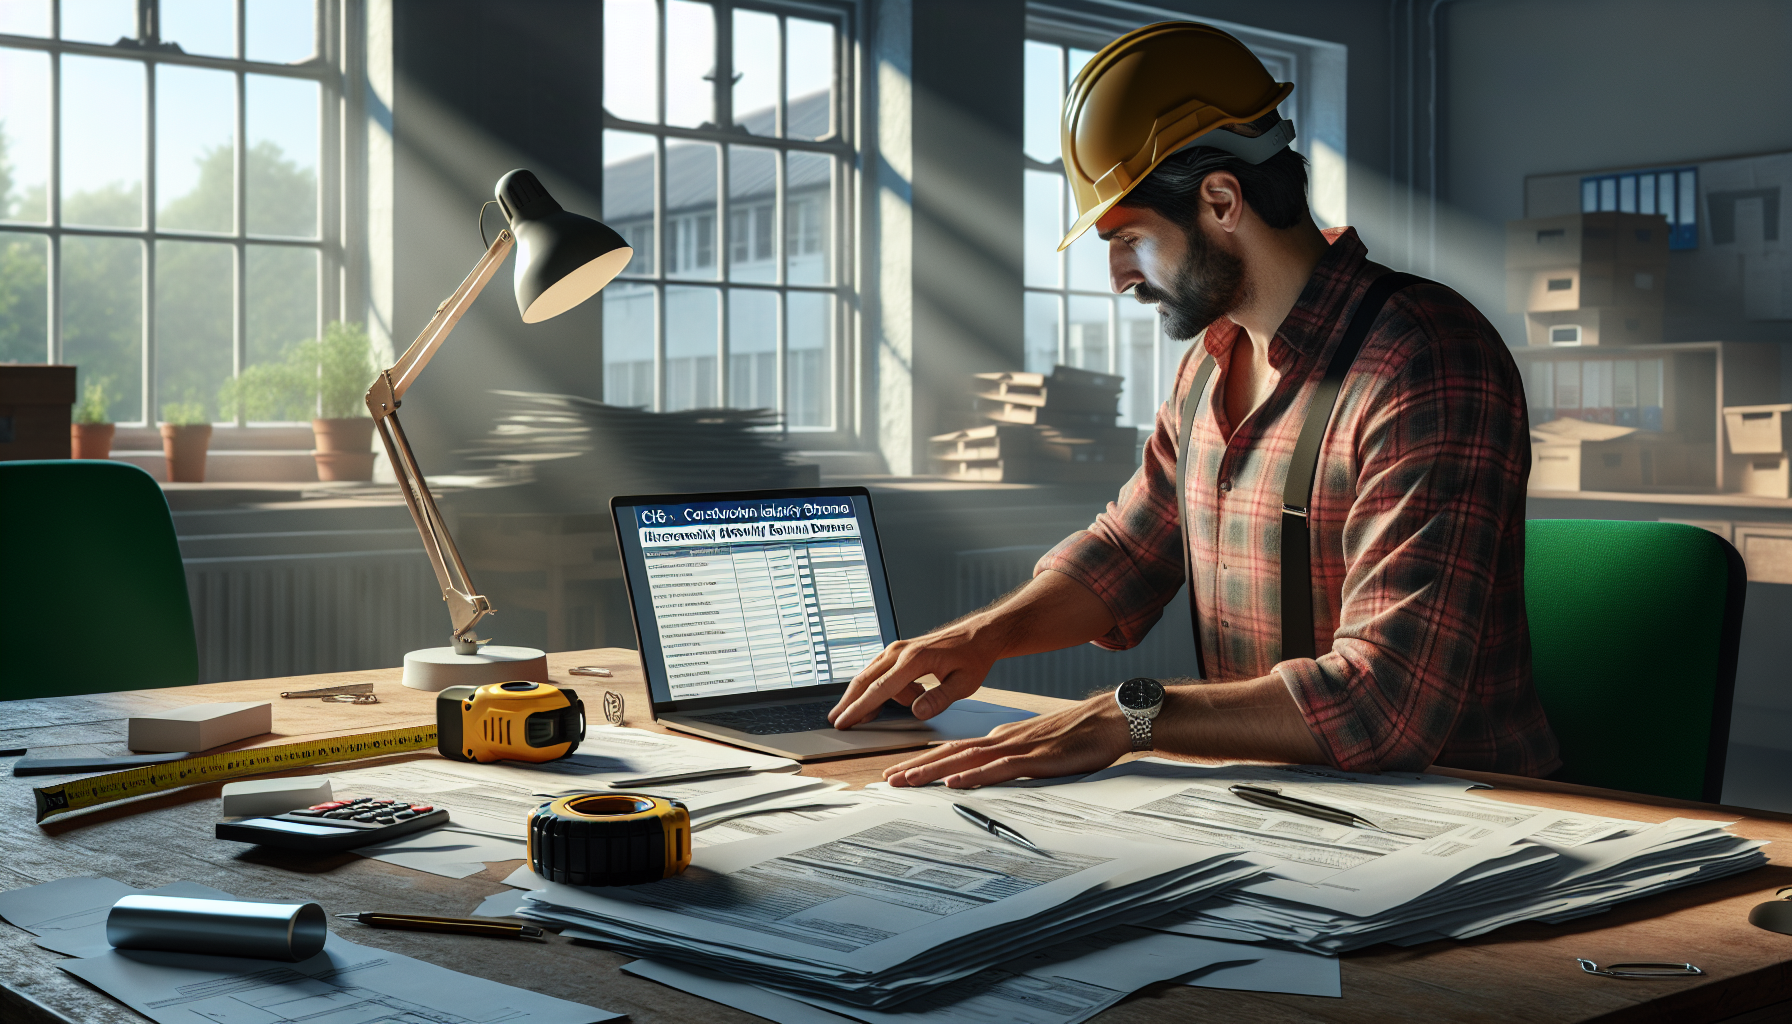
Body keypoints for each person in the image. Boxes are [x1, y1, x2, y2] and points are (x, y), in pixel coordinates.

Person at [828, 21, 1559, 788]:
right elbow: (1127, 555)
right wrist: (981, 637)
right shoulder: (1208, 369)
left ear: (1220, 200)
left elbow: (1385, 710)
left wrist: (1131, 716)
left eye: (1129, 238)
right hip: (1274, 802)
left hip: (1462, 822)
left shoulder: (1422, 360)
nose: (1118, 277)